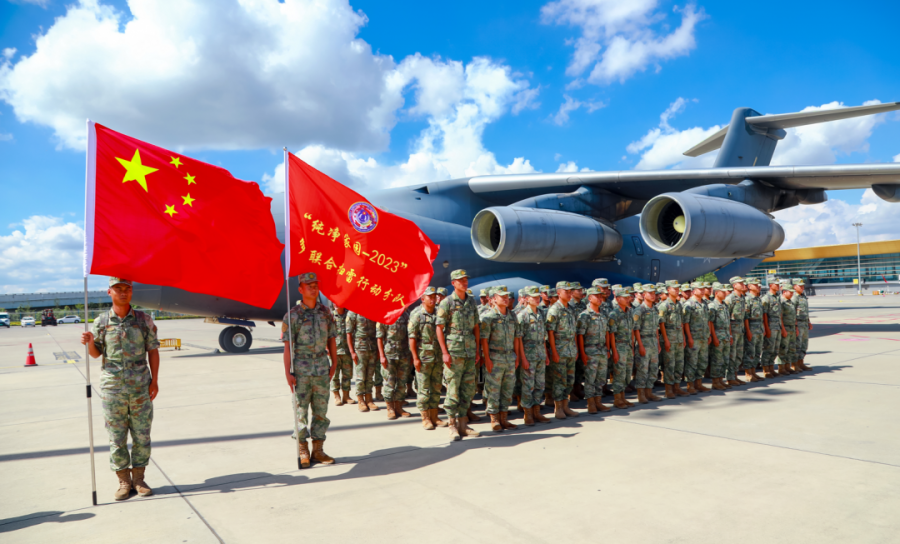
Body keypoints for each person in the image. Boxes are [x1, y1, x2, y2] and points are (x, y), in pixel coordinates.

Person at [81, 277, 160, 500]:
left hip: (140, 387)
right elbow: (96, 353)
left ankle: (139, 479)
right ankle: (124, 481)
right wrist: (89, 342)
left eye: (127, 289)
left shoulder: (144, 320)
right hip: (112, 388)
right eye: (118, 289)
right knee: (116, 437)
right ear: (110, 292)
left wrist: (154, 381)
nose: (123, 292)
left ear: (131, 292)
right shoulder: (101, 322)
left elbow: (153, 350)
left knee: (142, 435)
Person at [281, 272, 338, 468]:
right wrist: (287, 372)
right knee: (300, 412)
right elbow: (288, 346)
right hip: (301, 370)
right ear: (301, 289)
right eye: (309, 285)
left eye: (315, 285)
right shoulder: (293, 315)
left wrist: (334, 364)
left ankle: (318, 450)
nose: (313, 288)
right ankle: (303, 449)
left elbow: (332, 339)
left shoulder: (325, 313)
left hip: (322, 367)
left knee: (321, 411)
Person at [436, 269, 481, 441]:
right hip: (454, 352)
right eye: (460, 280)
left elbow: (476, 327)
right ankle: (452, 425)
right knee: (453, 389)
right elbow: (439, 328)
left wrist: (477, 350)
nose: (464, 282)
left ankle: (463, 424)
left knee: (468, 389)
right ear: (453, 283)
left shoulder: (471, 302)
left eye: (465, 279)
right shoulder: (447, 303)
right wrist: (444, 352)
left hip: (469, 352)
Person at [480, 287, 524, 431]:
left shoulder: (512, 316)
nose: (505, 299)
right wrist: (487, 359)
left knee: (507, 389)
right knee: (494, 390)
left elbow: (517, 338)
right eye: (501, 296)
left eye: (506, 296)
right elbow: (484, 340)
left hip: (510, 357)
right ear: (493, 299)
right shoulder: (488, 317)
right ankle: (494, 419)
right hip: (495, 357)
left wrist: (516, 356)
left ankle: (504, 418)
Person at [408, 287, 447, 430]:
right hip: (423, 358)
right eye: (429, 296)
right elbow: (412, 338)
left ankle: (435, 416)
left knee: (436, 387)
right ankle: (425, 418)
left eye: (434, 296)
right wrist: (415, 358)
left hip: (437, 357)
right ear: (422, 298)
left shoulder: (438, 312)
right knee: (424, 389)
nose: (433, 299)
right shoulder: (417, 314)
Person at [576, 287, 615, 413]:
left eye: (600, 296)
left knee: (601, 379)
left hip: (602, 351)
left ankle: (598, 402)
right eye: (596, 296)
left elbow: (607, 333)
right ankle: (591, 403)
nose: (599, 298)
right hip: (590, 351)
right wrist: (582, 353)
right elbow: (580, 336)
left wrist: (608, 349)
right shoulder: (584, 315)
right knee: (590, 379)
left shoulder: (603, 315)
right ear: (589, 298)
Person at [516, 286, 551, 425]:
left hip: (540, 355)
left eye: (538, 297)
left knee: (539, 385)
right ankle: (528, 414)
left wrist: (546, 354)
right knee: (528, 385)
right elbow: (518, 339)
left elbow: (543, 337)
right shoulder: (522, 315)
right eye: (533, 297)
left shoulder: (541, 314)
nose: (537, 299)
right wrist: (522, 358)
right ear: (527, 298)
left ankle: (537, 412)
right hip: (528, 356)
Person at [546, 281, 580, 419]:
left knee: (569, 380)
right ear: (559, 293)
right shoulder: (554, 310)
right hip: (560, 351)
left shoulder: (570, 309)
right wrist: (554, 352)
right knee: (559, 380)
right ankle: (558, 408)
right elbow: (550, 333)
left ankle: (566, 406)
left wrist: (576, 349)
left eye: (571, 291)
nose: (570, 294)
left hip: (571, 350)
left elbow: (574, 332)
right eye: (567, 291)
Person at [377, 309, 413, 420]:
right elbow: (379, 337)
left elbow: (409, 335)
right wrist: (382, 355)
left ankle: (398, 407)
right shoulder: (384, 315)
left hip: (404, 353)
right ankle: (390, 408)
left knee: (401, 382)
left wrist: (411, 354)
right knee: (390, 382)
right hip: (390, 354)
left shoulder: (406, 315)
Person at [658, 280, 688, 398]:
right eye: (674, 288)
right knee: (669, 365)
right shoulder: (664, 305)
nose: (676, 290)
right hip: (669, 339)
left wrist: (684, 338)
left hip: (679, 339)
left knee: (679, 364)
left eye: (677, 288)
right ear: (668, 290)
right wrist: (665, 340)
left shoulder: (679, 305)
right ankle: (668, 390)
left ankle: (677, 387)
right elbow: (661, 324)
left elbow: (681, 322)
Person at [346, 310, 380, 411]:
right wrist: (352, 352)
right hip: (360, 349)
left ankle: (369, 399)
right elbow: (349, 333)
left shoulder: (373, 310)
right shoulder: (353, 312)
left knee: (370, 376)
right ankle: (360, 399)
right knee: (361, 376)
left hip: (372, 348)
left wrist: (378, 350)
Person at [608, 286, 636, 408]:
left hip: (628, 346)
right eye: (625, 297)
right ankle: (617, 399)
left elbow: (632, 330)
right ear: (618, 299)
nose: (628, 299)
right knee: (619, 373)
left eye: (628, 297)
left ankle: (623, 397)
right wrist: (614, 351)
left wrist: (633, 346)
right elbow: (611, 334)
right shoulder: (614, 314)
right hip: (619, 347)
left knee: (626, 373)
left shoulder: (629, 312)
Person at [633, 284, 660, 403]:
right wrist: (640, 345)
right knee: (642, 370)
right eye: (650, 293)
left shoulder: (655, 309)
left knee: (653, 369)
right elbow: (636, 329)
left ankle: (649, 393)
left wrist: (658, 343)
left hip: (653, 341)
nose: (653, 295)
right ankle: (641, 394)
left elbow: (656, 329)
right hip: (643, 341)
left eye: (654, 293)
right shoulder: (639, 310)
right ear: (644, 294)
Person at [683, 282, 711, 394]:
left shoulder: (704, 304)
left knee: (702, 361)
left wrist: (708, 335)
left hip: (703, 337)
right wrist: (689, 338)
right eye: (700, 289)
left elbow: (707, 321)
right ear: (694, 291)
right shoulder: (688, 304)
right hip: (694, 338)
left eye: (704, 289)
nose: (703, 291)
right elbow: (686, 323)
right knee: (692, 362)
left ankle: (698, 383)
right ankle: (690, 385)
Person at [708, 283, 733, 390]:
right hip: (718, 336)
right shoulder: (712, 306)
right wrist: (714, 337)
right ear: (717, 293)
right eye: (723, 292)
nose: (725, 293)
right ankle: (715, 381)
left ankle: (720, 380)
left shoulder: (725, 305)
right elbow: (710, 323)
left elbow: (728, 322)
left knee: (725, 360)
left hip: (726, 336)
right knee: (717, 360)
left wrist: (730, 335)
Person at [760, 281, 786, 379]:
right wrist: (767, 328)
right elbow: (764, 315)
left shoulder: (777, 297)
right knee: (768, 349)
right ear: (771, 285)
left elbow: (780, 314)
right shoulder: (766, 298)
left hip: (777, 326)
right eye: (777, 284)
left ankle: (771, 368)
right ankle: (766, 369)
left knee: (775, 349)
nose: (779, 286)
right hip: (771, 327)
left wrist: (782, 327)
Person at [724, 277, 748, 387]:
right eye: (740, 283)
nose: (743, 285)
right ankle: (730, 378)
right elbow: (726, 317)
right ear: (734, 286)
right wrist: (729, 334)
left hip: (740, 330)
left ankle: (735, 376)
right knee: (732, 355)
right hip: (733, 331)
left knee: (739, 355)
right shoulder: (730, 298)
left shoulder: (742, 298)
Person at [331, 305, 355, 406]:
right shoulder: (331, 316)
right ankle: (336, 396)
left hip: (346, 350)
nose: (335, 304)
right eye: (334, 303)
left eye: (337, 303)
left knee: (347, 375)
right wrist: (327, 348)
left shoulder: (349, 315)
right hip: (335, 350)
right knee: (335, 375)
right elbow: (326, 332)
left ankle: (346, 395)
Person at [742, 278, 765, 382]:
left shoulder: (758, 299)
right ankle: (748, 373)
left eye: (758, 285)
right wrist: (748, 331)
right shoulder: (747, 299)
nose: (758, 286)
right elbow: (746, 317)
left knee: (757, 352)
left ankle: (753, 372)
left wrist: (763, 328)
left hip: (759, 327)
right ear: (749, 286)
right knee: (750, 351)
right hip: (751, 327)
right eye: (755, 285)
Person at [776, 281, 799, 376]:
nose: (792, 293)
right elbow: (780, 317)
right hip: (785, 328)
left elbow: (794, 316)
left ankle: (787, 366)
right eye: (790, 292)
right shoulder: (781, 301)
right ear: (784, 291)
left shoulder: (791, 302)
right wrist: (783, 329)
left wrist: (796, 327)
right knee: (783, 349)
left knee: (791, 348)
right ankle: (781, 368)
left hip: (792, 328)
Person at [792, 279, 813, 371]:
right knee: (797, 344)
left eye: (803, 286)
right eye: (800, 286)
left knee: (804, 345)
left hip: (804, 323)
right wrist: (795, 326)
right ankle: (795, 364)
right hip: (798, 323)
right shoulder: (794, 297)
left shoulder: (803, 296)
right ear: (794, 287)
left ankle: (801, 363)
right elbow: (792, 313)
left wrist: (809, 322)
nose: (802, 287)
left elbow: (805, 311)